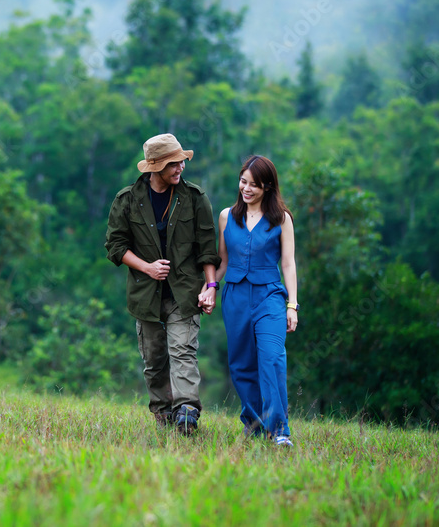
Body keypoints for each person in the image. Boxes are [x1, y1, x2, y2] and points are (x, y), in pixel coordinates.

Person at [105, 133, 220, 434]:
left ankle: (186, 414)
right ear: (154, 167)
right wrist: (147, 267)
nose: (180, 168)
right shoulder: (127, 201)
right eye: (173, 164)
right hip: (147, 296)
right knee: (154, 361)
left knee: (182, 351)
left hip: (185, 293)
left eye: (182, 162)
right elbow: (115, 246)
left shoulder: (195, 199)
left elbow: (208, 249)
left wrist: (210, 288)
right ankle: (163, 415)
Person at [198, 155, 299, 446]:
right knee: (241, 364)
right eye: (244, 181)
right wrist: (210, 287)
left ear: (268, 187)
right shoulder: (227, 217)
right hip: (236, 297)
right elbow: (223, 262)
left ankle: (279, 431)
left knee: (272, 358)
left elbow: (289, 264)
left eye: (254, 185)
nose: (247, 189)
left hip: (269, 296)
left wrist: (292, 304)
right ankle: (254, 426)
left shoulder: (282, 219)